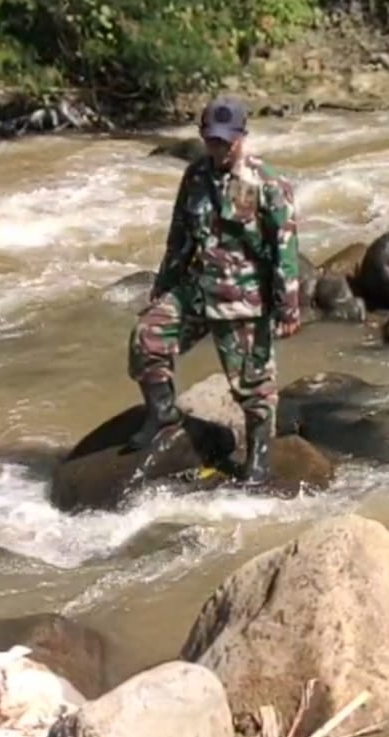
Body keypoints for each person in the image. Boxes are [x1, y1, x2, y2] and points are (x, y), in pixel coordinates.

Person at [127, 97, 301, 486]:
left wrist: (288, 306)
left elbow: (285, 249)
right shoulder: (195, 177)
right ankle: (163, 414)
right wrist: (164, 285)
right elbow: (179, 238)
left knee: (253, 386)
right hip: (197, 289)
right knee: (147, 337)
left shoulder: (268, 184)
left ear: (242, 136)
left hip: (243, 299)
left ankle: (259, 458)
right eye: (211, 140)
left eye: (226, 141)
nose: (219, 148)